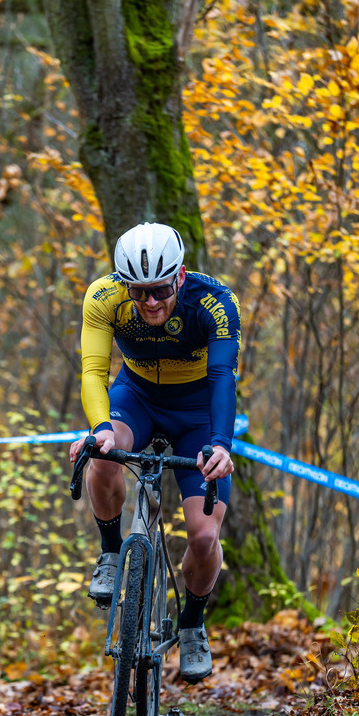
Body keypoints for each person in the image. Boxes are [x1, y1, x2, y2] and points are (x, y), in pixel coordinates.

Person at [69, 222, 241, 684]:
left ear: (180, 277)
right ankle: (110, 551)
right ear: (124, 284)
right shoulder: (103, 297)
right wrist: (100, 428)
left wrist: (221, 446)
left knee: (204, 537)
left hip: (198, 413)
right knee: (103, 453)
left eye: (161, 290)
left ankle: (191, 623)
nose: (150, 303)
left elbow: (223, 377)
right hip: (137, 399)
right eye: (139, 291)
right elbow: (93, 370)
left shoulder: (215, 301)